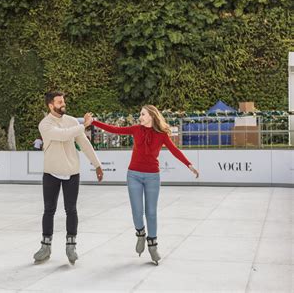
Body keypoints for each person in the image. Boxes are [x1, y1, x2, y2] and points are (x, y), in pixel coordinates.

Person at [87, 105, 199, 265]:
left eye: (143, 114)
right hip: (134, 175)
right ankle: (140, 234)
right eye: (140, 113)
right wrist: (94, 122)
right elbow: (115, 130)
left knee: (151, 212)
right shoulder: (136, 129)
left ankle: (152, 246)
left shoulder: (161, 135)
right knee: (137, 211)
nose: (140, 116)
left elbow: (175, 151)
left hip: (153, 177)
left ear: (151, 116)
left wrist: (189, 165)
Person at [33, 91, 104, 265]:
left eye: (63, 101)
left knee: (71, 209)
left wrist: (97, 164)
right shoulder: (45, 124)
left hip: (72, 172)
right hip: (51, 173)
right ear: (51, 105)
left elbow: (84, 144)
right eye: (59, 102)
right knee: (49, 210)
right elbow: (62, 135)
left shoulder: (72, 121)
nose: (63, 104)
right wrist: (84, 125)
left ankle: (71, 246)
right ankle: (45, 246)